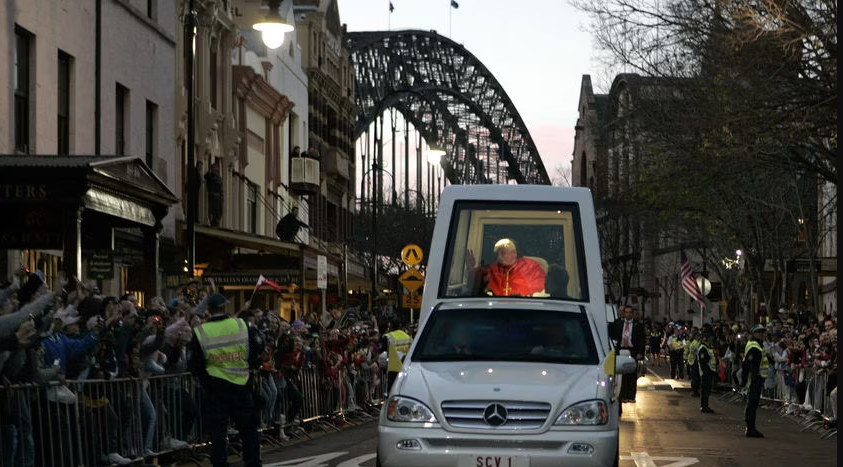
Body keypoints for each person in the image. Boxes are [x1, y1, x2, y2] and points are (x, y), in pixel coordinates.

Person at [188, 293, 264, 467]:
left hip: (216, 388)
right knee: (248, 428)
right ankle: (252, 461)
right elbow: (257, 346)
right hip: (241, 384)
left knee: (218, 431)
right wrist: (249, 366)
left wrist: (208, 382)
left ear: (209, 309)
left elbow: (195, 365)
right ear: (225, 307)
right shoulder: (241, 325)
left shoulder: (201, 332)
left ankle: (220, 463)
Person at [468, 238, 546, 297]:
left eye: (502, 253)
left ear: (514, 253)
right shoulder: (494, 268)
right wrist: (471, 269)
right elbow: (478, 282)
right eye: (497, 254)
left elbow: (539, 289)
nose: (499, 257)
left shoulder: (531, 267)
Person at [609, 305, 646, 402]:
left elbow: (642, 339)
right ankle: (621, 395)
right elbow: (611, 334)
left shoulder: (638, 325)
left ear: (633, 314)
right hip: (620, 350)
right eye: (626, 312)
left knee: (632, 375)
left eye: (630, 312)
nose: (628, 314)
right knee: (620, 374)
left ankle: (631, 396)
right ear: (624, 313)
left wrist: (640, 352)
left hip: (632, 350)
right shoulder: (618, 323)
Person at [741, 324, 769, 438]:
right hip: (755, 379)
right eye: (759, 332)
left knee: (752, 404)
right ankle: (750, 428)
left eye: (763, 332)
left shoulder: (756, 345)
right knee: (752, 404)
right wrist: (749, 379)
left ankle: (750, 427)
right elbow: (749, 365)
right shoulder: (755, 347)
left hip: (756, 379)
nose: (762, 335)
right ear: (754, 333)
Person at [697, 333, 717, 413]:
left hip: (708, 372)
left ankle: (704, 406)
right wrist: (709, 372)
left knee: (706, 390)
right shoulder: (703, 348)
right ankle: (704, 406)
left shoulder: (706, 347)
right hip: (706, 373)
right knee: (705, 390)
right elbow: (703, 363)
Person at [204, 161, 224, 227]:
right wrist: (209, 171)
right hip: (211, 196)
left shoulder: (219, 178)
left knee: (218, 212)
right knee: (211, 211)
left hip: (217, 197)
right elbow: (205, 176)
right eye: (214, 169)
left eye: (216, 169)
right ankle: (212, 222)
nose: (215, 170)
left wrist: (222, 197)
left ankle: (216, 222)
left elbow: (221, 189)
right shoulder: (209, 176)